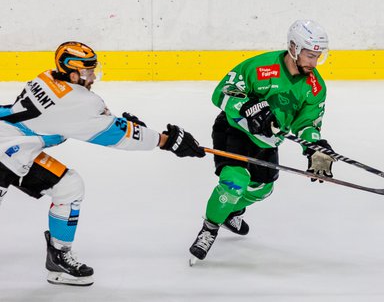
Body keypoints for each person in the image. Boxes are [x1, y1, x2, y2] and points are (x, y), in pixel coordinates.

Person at [0, 41, 206, 286]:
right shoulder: (78, 101)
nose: (93, 76)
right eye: (87, 72)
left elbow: (91, 119)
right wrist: (166, 141)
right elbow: (114, 136)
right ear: (71, 72)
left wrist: (128, 125)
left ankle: (58, 258)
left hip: (16, 150)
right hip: (7, 154)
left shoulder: (46, 78)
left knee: (68, 187)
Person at [188, 20, 336, 263]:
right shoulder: (260, 67)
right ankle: (210, 228)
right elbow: (221, 92)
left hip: (267, 141)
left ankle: (230, 212)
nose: (314, 62)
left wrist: (313, 147)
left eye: (318, 56)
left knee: (262, 190)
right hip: (233, 130)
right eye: (310, 55)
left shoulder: (315, 87)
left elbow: (306, 124)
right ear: (293, 47)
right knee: (234, 183)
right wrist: (246, 106)